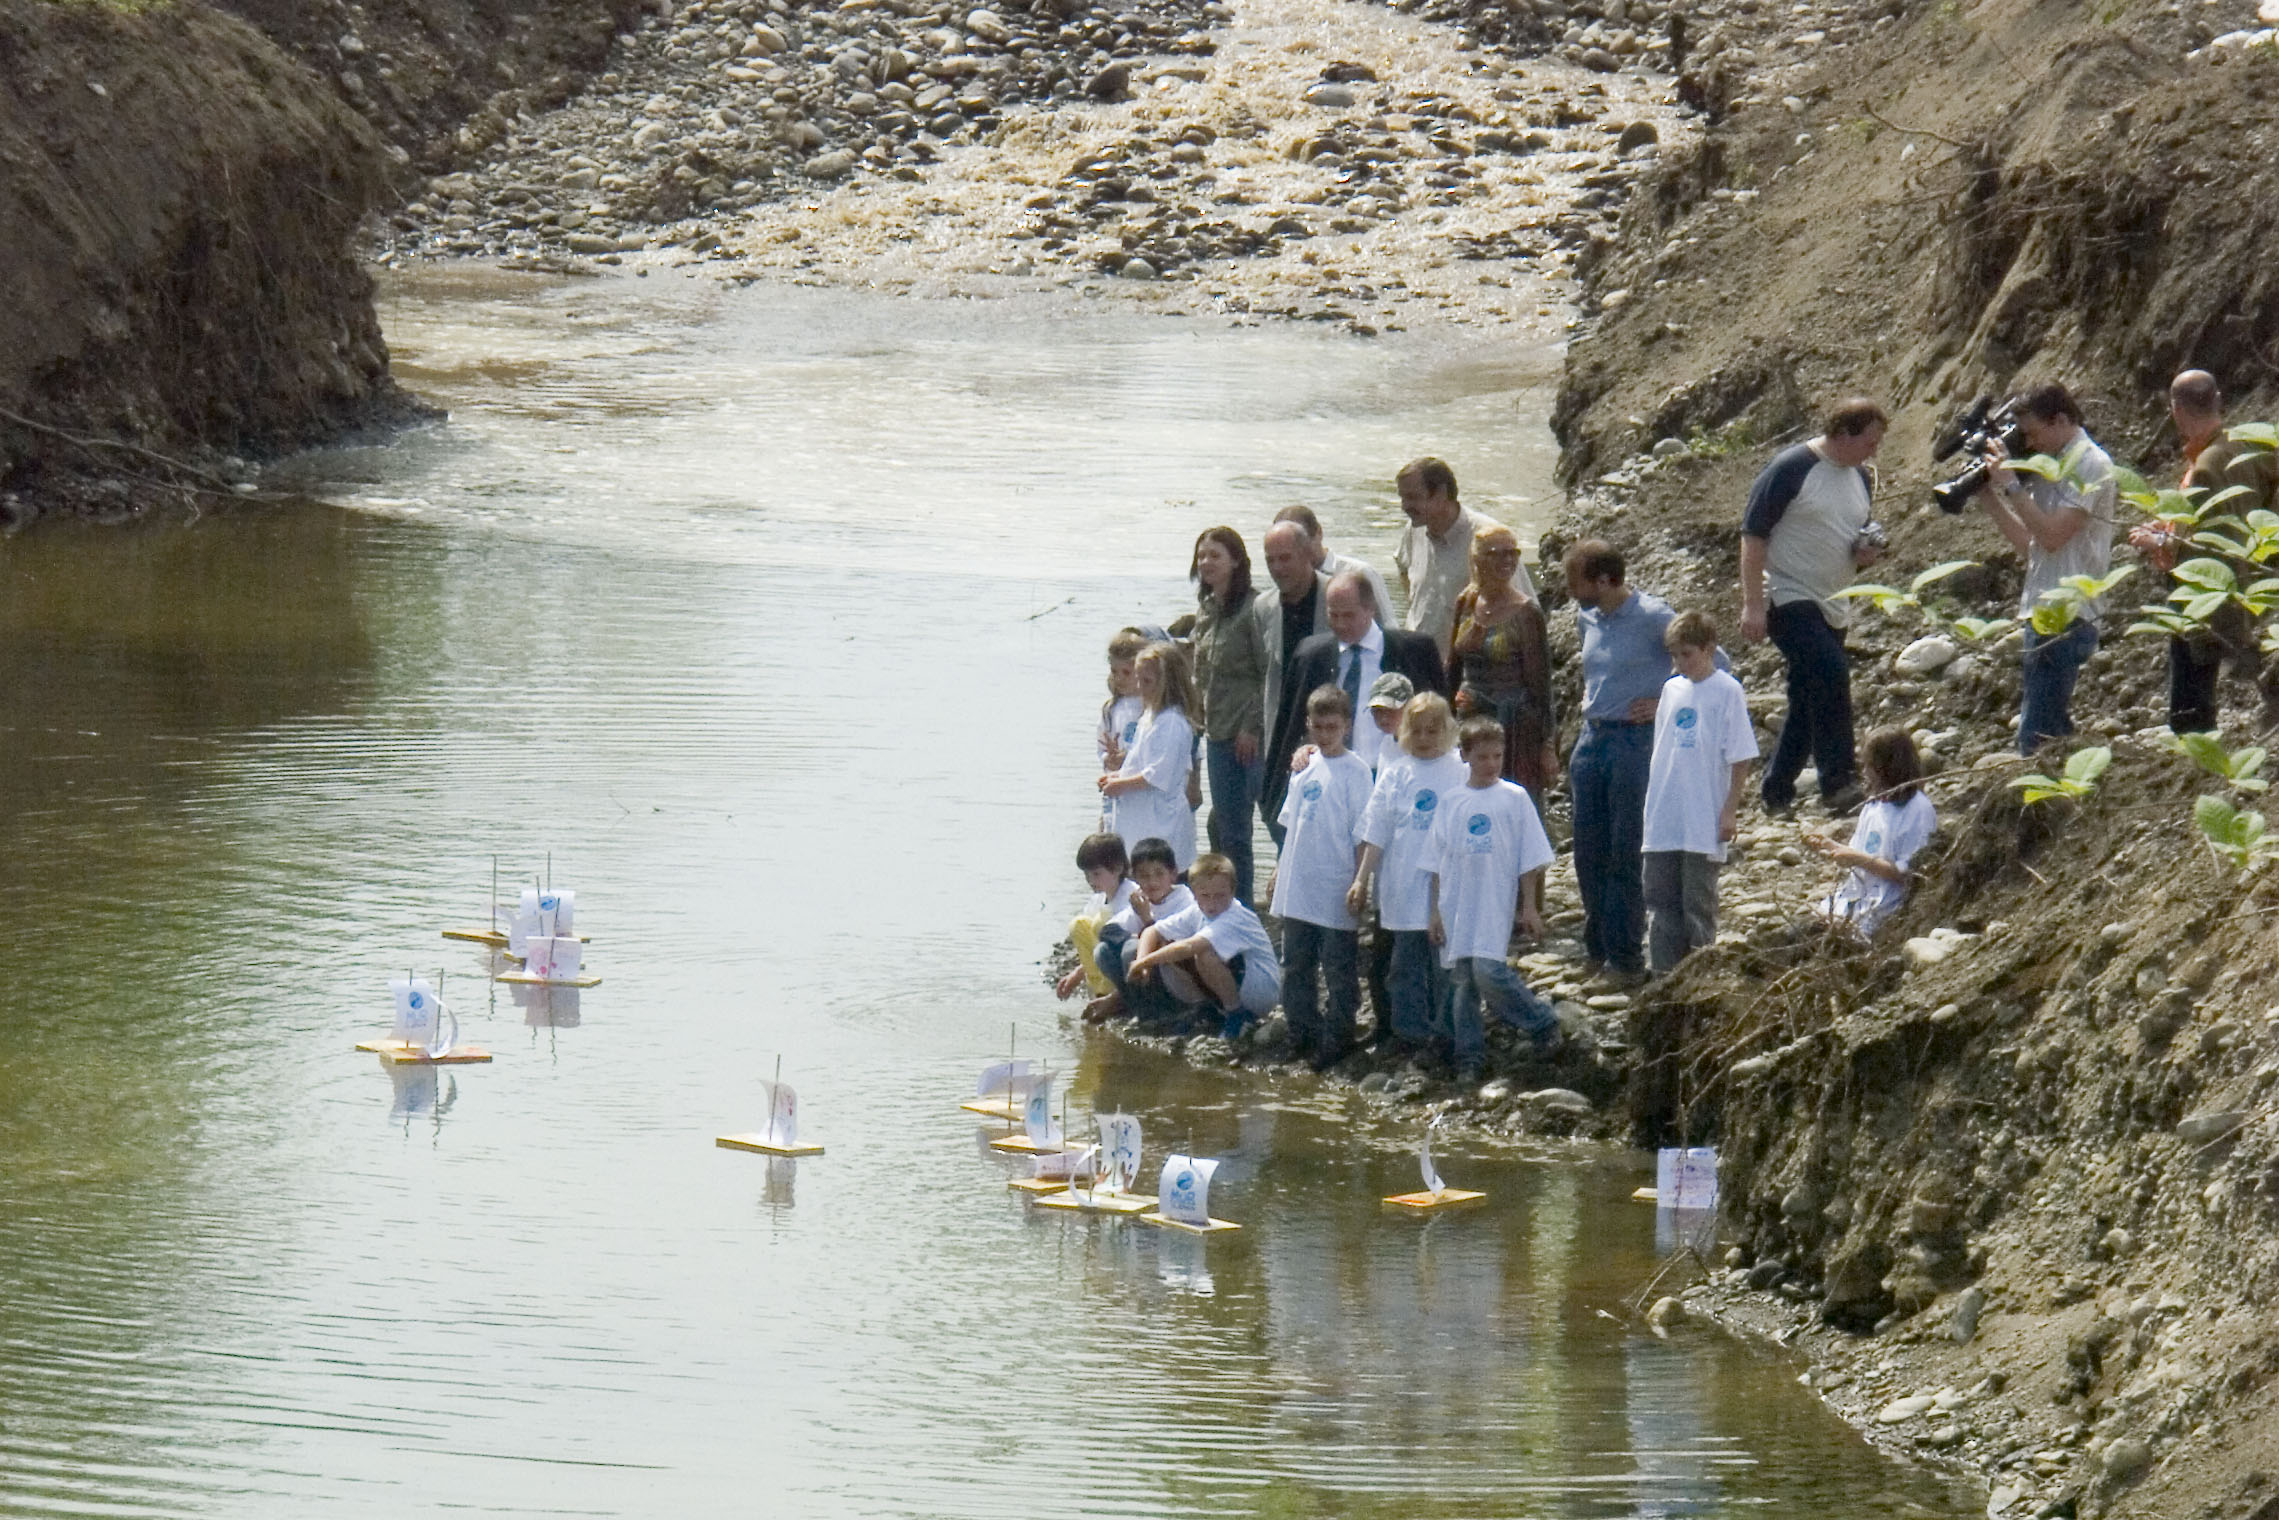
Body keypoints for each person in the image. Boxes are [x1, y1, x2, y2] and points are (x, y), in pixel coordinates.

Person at [1738, 397, 1888, 815]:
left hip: (1835, 599)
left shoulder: (1859, 476)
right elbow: (1753, 535)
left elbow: (1847, 532)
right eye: (1869, 441)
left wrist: (1863, 552)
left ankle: (1776, 789)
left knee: (1807, 694)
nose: (1874, 451)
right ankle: (1838, 783)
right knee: (1831, 672)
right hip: (1787, 593)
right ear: (1843, 434)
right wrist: (1752, 604)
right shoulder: (1791, 468)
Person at [2129, 370, 2279, 733]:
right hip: (2255, 579)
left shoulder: (2206, 468)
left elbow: (2203, 547)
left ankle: (2194, 752)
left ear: (2177, 410)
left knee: (2191, 696)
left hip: (2205, 596)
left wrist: (2159, 542)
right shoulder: (2250, 446)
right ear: (2219, 400)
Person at [1973, 382, 2118, 753]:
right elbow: (2032, 545)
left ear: (2061, 420)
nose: (2030, 443)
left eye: (2034, 433)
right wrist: (1988, 495)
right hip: (2041, 608)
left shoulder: (2091, 463)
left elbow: (2054, 536)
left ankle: (2052, 801)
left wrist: (2012, 487)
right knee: (2046, 725)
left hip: (2068, 612)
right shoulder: (2047, 467)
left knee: (2037, 733)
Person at [1564, 539, 1677, 985]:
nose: (1569, 590)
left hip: (1634, 743)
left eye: (1575, 581)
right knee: (1587, 850)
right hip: (1592, 738)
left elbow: (1713, 662)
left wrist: (1663, 698)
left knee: (1624, 850)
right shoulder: (1586, 616)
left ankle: (1626, 959)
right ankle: (1597, 950)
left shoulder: (1653, 616)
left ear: (1605, 580)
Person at [1425, 717, 1561, 1082]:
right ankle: (1469, 1055)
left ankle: (1541, 1020)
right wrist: (1435, 912)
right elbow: (1436, 862)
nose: (1491, 764)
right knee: (1463, 981)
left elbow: (1530, 859)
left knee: (1488, 971)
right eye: (1483, 757)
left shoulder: (1514, 798)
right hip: (1457, 904)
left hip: (1494, 903)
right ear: (1466, 756)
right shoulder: (1451, 802)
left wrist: (1529, 906)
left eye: (1497, 756)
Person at [1640, 612, 1758, 974]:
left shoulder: (1727, 690)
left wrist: (1729, 811)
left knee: (1698, 904)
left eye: (1687, 654)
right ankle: (1663, 977)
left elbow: (1741, 757)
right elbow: (1663, 749)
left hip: (1702, 813)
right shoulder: (1671, 689)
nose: (1679, 663)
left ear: (1708, 649)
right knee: (1660, 902)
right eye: (1674, 655)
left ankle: (1700, 979)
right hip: (1664, 813)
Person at [1350, 692, 1468, 1055]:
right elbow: (1376, 830)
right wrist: (1361, 879)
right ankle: (1408, 1034)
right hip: (1401, 887)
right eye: (1416, 731)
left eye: (1432, 731)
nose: (1424, 738)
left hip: (1445, 890)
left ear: (1446, 730)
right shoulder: (1396, 772)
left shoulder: (1459, 771)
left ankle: (1445, 1037)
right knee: (1402, 968)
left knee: (1442, 970)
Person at [1270, 571, 1447, 806]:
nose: (1341, 624)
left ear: (1370, 608)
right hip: (1332, 779)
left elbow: (1443, 717)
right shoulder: (1310, 655)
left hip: (1395, 778)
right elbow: (1287, 727)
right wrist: (1273, 796)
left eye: (1349, 615)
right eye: (1334, 615)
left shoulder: (1415, 650)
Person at [1268, 686, 1374, 1068]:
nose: (1324, 734)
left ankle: (1338, 1035)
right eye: (1318, 726)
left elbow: (1364, 831)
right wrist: (1280, 867)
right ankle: (1302, 1031)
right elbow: (1291, 824)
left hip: (1335, 883)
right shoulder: (1304, 768)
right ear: (1309, 725)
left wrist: (1361, 880)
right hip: (1299, 883)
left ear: (1346, 725)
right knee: (1296, 963)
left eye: (1332, 727)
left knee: (1337, 965)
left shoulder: (1357, 771)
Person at [1189, 526, 1269, 902]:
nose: (1206, 562)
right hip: (1216, 735)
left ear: (1236, 560)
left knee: (1255, 826)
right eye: (1201, 555)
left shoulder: (1255, 609)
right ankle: (1231, 908)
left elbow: (1266, 672)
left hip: (1248, 735)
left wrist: (1252, 726)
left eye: (1215, 555)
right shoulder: (1205, 610)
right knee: (1225, 830)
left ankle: (1249, 912)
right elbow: (1200, 673)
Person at [1394, 456, 1538, 666]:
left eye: (1413, 497)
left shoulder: (1488, 538)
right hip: (1418, 665)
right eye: (1403, 498)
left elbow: (1524, 611)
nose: (1405, 506)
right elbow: (1404, 571)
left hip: (1470, 675)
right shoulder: (1414, 531)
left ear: (1442, 493)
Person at [1451, 522, 1557, 796]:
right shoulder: (1466, 602)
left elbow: (1541, 687)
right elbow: (1453, 667)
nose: (1507, 560)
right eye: (1498, 553)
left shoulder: (1527, 613)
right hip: (1470, 721)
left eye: (1513, 553)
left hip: (1514, 728)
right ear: (1477, 559)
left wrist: (1546, 747)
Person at [1128, 852, 1282, 1039]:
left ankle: (1237, 1014)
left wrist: (1144, 964)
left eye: (1219, 896)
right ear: (1194, 893)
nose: (1212, 904)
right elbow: (1153, 931)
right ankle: (1208, 1009)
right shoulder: (1196, 911)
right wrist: (1142, 960)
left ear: (1232, 891)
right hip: (1238, 980)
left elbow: (1189, 947)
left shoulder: (1235, 916)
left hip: (1260, 990)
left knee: (1203, 953)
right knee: (1167, 942)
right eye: (1205, 896)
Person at [1805, 728, 1936, 938]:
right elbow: (1858, 852)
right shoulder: (1875, 805)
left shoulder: (1918, 810)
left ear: (1886, 768)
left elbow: (1909, 874)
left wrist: (1858, 859)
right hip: (1855, 897)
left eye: (1869, 766)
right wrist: (1830, 846)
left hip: (1887, 906)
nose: (1865, 773)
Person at [1248, 521, 1331, 842]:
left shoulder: (1337, 594)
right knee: (1275, 813)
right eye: (1271, 560)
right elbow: (1262, 671)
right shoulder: (1263, 606)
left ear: (1308, 554)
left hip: (1330, 725)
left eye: (1286, 558)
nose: (1277, 568)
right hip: (1282, 727)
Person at [1098, 642, 1199, 868]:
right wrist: (1116, 776)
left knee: (1160, 880)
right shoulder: (1149, 717)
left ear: (1167, 683)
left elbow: (1157, 774)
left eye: (1147, 682)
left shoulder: (1172, 722)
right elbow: (1139, 764)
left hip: (1160, 822)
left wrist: (1121, 785)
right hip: (1139, 821)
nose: (1140, 687)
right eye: (1139, 679)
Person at [1087, 836, 1194, 1020]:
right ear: (1134, 878)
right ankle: (1135, 1005)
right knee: (1102, 952)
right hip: (1149, 974)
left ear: (1173, 874)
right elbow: (1108, 931)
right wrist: (1137, 933)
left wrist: (1146, 920)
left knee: (1131, 950)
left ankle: (1156, 1013)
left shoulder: (1185, 902)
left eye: (1159, 874)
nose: (1152, 882)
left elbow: (1172, 944)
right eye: (1144, 875)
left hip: (1181, 978)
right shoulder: (1141, 901)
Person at [1273, 503, 1393, 626]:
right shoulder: (1285, 584)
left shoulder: (1361, 573)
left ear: (1318, 533)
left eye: (1301, 542)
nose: (1297, 552)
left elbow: (1389, 627)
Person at [1055, 833, 1133, 1008]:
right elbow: (1090, 944)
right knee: (1079, 925)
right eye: (1087, 875)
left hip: (1125, 968)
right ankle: (1098, 988)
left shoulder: (1131, 896)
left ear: (1118, 868)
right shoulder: (1098, 899)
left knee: (1100, 924)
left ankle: (1117, 995)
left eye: (1096, 874)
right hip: (1104, 962)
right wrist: (1076, 975)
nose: (1090, 881)